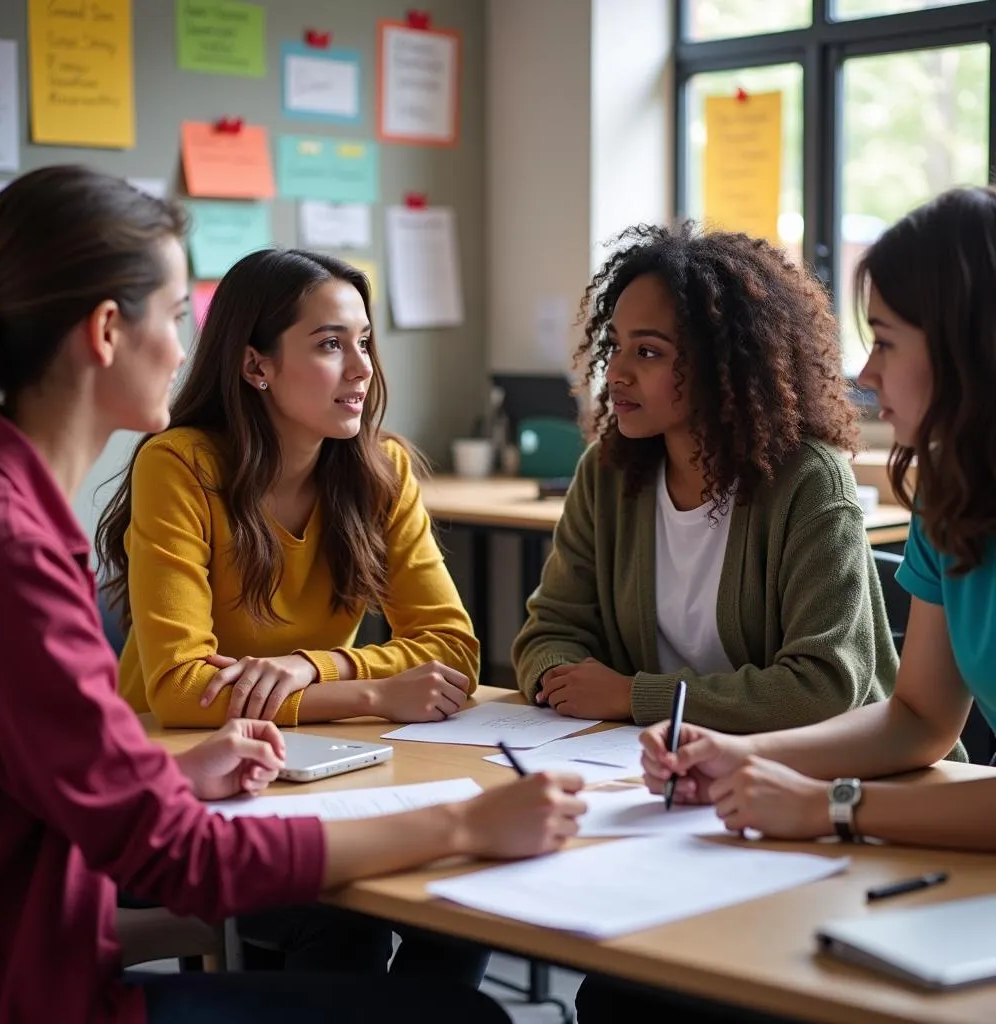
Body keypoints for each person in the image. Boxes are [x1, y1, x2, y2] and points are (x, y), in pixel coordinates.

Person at [0, 165, 586, 1024]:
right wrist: (459, 825)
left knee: (410, 962)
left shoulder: (7, 513)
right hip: (44, 996)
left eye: (363, 341)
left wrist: (172, 772)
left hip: (57, 954)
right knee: (453, 1009)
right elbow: (179, 857)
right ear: (109, 331)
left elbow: (40, 772)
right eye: (179, 314)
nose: (186, 346)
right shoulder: (13, 545)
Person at [641, 186, 996, 854]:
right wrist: (742, 754)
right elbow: (920, 720)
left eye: (885, 343)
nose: (866, 372)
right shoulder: (952, 489)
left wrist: (835, 806)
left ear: (971, 346)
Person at [512, 222, 899, 732]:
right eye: (616, 346)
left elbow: (823, 686)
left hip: (835, 776)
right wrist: (561, 679)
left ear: (725, 366)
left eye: (647, 352)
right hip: (657, 765)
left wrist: (636, 696)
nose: (616, 372)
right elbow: (551, 629)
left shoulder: (808, 481)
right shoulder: (606, 473)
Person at [97, 247, 477, 732]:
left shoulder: (383, 468)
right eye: (330, 345)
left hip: (314, 743)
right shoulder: (179, 465)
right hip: (175, 749)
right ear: (256, 366)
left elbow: (454, 650)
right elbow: (181, 691)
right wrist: (372, 692)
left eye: (364, 341)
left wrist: (313, 667)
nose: (362, 368)